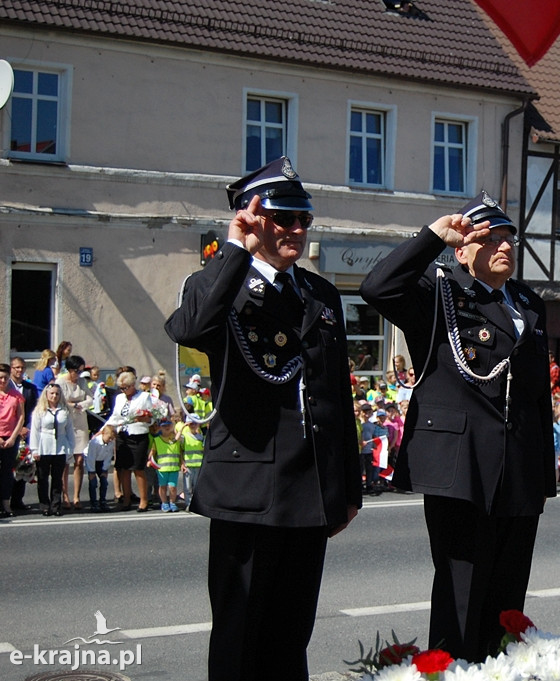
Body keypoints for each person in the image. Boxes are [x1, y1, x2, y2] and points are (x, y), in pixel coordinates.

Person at [164, 156, 362, 681]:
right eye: (284, 219)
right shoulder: (217, 282)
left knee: (290, 634)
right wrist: (234, 250)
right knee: (240, 634)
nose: (298, 230)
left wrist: (347, 488)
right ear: (251, 219)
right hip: (248, 488)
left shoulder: (318, 292)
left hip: (310, 489)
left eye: (305, 220)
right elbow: (190, 329)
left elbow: (335, 393)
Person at [359, 190, 555, 662]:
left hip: (519, 473)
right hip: (462, 470)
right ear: (463, 251)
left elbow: (534, 398)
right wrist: (432, 238)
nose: (505, 246)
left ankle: (502, 671)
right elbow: (377, 288)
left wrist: (542, 472)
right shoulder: (439, 292)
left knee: (509, 601)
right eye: (490, 239)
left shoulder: (527, 302)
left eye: (510, 238)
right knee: (461, 596)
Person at [105, 371, 155, 512]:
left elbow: (152, 418)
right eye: (121, 388)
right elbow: (115, 416)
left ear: (133, 385)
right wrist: (106, 428)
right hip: (123, 435)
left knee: (138, 469)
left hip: (138, 435)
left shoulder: (144, 397)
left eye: (125, 387)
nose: (123, 390)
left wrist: (144, 418)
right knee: (124, 468)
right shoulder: (120, 398)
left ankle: (143, 500)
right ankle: (126, 499)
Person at [30, 382, 75, 516]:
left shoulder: (65, 410)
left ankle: (56, 506)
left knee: (57, 479)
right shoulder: (40, 411)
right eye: (52, 393)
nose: (54, 396)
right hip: (44, 446)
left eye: (57, 394)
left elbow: (69, 432)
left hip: (60, 447)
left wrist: (70, 449)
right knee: (43, 478)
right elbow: (35, 431)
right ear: (46, 395)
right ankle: (44, 505)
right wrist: (34, 449)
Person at [57, 355, 92, 510]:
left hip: (80, 423)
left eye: (81, 371)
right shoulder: (61, 382)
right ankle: (65, 495)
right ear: (70, 370)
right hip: (66, 424)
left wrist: (80, 404)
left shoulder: (82, 382)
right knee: (65, 462)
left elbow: (90, 399)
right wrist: (72, 405)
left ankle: (77, 496)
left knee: (79, 460)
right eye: (76, 371)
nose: (78, 374)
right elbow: (61, 400)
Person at [6, 357, 39, 511]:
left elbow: (33, 411)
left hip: (25, 432)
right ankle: (5, 498)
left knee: (24, 464)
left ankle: (18, 500)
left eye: (22, 368)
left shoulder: (30, 388)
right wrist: (17, 429)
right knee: (7, 467)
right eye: (16, 367)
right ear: (11, 369)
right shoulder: (5, 386)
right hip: (9, 431)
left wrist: (27, 428)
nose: (19, 371)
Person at [0, 364, 26, 518]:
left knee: (7, 472)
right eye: (0, 378)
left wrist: (12, 437)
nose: (3, 380)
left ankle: (5, 503)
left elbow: (21, 417)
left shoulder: (16, 395)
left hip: (11, 438)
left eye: (5, 377)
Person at [85, 425, 116, 511]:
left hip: (101, 461)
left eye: (112, 438)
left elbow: (108, 456)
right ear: (103, 433)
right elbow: (91, 457)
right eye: (109, 437)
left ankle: (102, 501)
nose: (110, 440)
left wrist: (104, 469)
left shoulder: (111, 442)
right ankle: (93, 503)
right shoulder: (94, 443)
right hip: (91, 460)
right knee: (93, 482)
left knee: (104, 482)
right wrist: (92, 472)